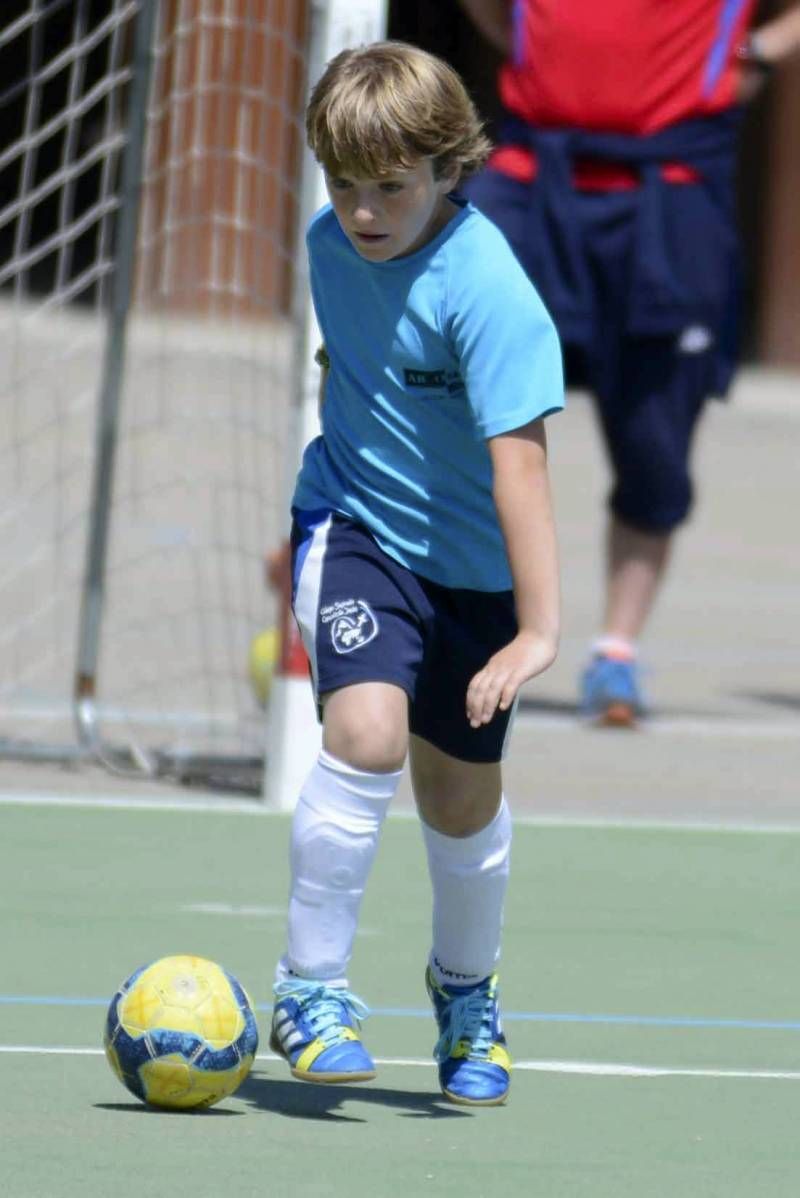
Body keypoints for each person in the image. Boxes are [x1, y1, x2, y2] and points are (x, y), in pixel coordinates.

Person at [268, 41, 563, 1107]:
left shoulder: (492, 292)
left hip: (477, 577)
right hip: (354, 531)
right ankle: (308, 989)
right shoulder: (326, 245)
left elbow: (518, 465)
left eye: (388, 185)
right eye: (341, 183)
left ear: (451, 167)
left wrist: (535, 630)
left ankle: (465, 993)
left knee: (458, 798)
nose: (360, 211)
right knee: (365, 735)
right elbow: (349, 366)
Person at [458, 0, 800, 725]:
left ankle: (616, 651)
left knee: (654, 442)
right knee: (447, 385)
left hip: (669, 186)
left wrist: (764, 50)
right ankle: (439, 614)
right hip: (529, 172)